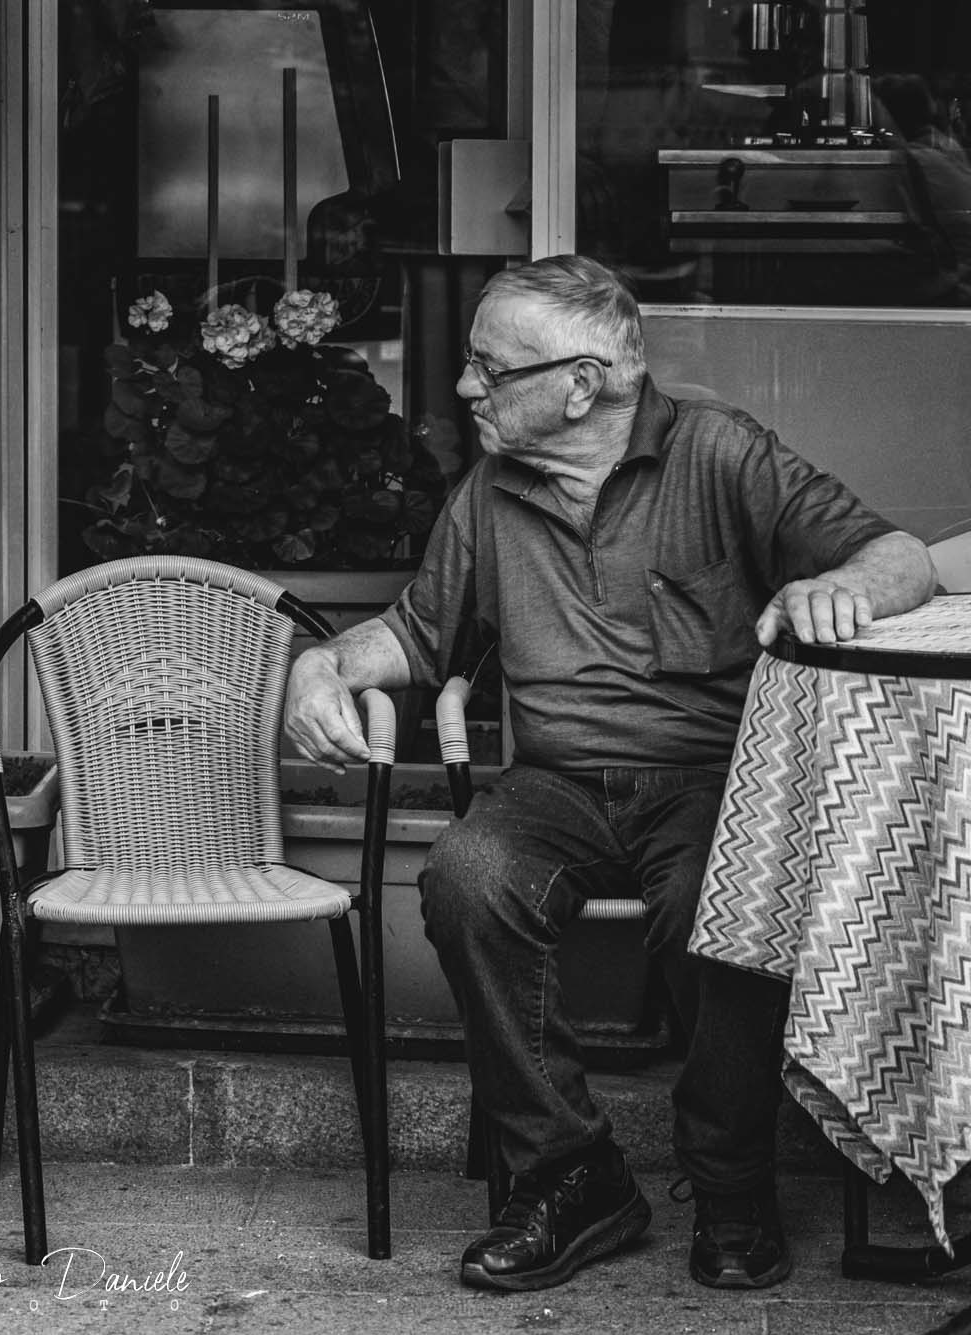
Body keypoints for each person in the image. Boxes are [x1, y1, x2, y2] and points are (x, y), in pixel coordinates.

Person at [282, 255, 936, 1295]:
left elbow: (899, 555)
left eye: (488, 371)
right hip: (555, 786)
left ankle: (729, 1186)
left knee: (719, 908)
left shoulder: (717, 453)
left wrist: (837, 588)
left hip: (708, 778)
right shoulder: (487, 492)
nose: (464, 389)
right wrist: (322, 662)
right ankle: (571, 1174)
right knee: (465, 875)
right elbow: (413, 634)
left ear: (580, 383)